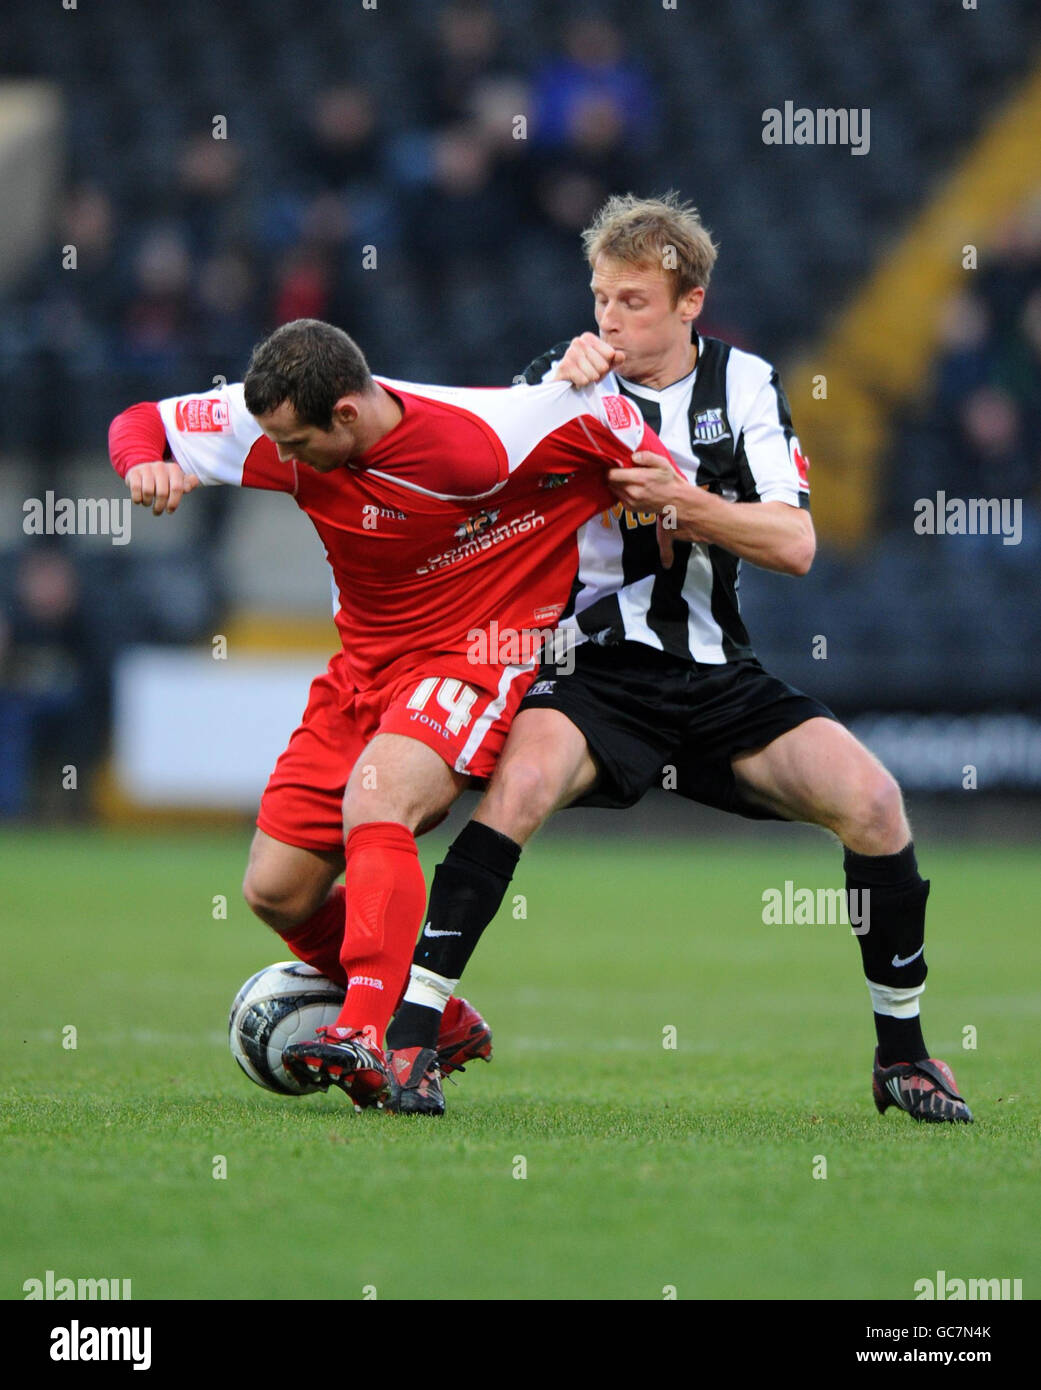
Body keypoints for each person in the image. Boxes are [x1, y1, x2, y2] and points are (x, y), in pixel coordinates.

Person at [384, 193, 973, 1125]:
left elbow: (793, 544)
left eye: (633, 302)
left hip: (713, 677)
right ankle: (409, 1039)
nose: (610, 320)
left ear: (689, 302)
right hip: (590, 674)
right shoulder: (561, 379)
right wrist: (548, 398)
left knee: (873, 803)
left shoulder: (744, 387)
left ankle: (901, 1056)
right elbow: (473, 492)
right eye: (601, 300)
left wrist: (681, 501)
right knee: (521, 790)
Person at [108, 316, 672, 1107]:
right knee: (276, 889)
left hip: (473, 657)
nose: (280, 458)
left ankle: (372, 1033)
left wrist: (659, 514)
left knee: (379, 800)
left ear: (345, 413)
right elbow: (142, 422)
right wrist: (144, 468)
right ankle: (438, 1021)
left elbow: (644, 458)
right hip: (361, 671)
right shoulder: (273, 418)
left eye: (296, 444)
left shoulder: (499, 435)